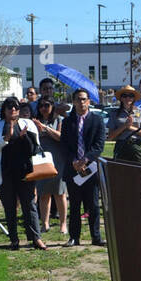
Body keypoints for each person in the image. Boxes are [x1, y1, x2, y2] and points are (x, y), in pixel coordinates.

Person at [0, 97, 45, 251]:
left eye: (15, 108)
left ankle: (36, 238)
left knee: (29, 206)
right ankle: (14, 239)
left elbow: (35, 147)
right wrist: (6, 138)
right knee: (10, 207)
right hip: (6, 172)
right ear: (4, 111)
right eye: (9, 108)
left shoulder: (27, 124)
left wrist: (24, 137)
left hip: (25, 171)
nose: (13, 110)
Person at [60, 88, 105, 247]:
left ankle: (96, 237)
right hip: (73, 169)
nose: (82, 102)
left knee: (93, 204)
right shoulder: (67, 122)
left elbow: (99, 146)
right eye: (78, 99)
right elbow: (63, 145)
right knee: (75, 205)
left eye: (84, 99)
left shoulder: (97, 120)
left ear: (89, 101)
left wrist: (85, 160)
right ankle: (74, 237)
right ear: (73, 101)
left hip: (90, 168)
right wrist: (74, 161)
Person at [32, 97, 67, 235]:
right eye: (41, 106)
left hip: (57, 159)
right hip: (41, 160)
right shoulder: (35, 121)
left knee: (60, 193)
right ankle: (45, 223)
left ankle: (63, 224)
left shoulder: (58, 120)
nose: (44, 108)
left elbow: (60, 137)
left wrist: (45, 128)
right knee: (43, 193)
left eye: (47, 105)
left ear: (52, 106)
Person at [107, 85, 141, 164]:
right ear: (121, 98)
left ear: (134, 98)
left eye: (131, 96)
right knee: (121, 173)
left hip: (137, 146)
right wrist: (124, 126)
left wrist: (130, 127)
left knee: (138, 173)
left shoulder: (140, 112)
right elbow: (110, 136)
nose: (128, 98)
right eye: (125, 96)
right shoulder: (114, 114)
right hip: (121, 146)